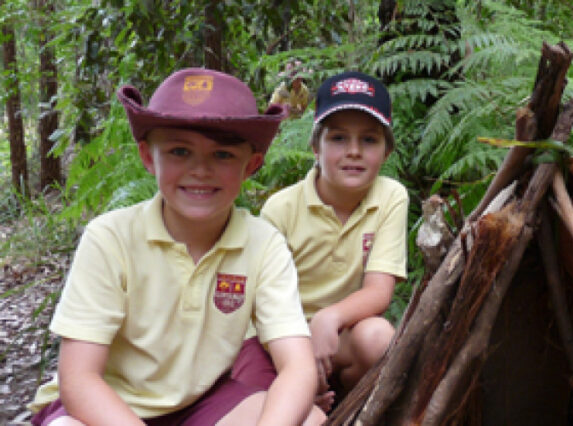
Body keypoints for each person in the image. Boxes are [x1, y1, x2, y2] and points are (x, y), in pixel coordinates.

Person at [27, 68, 324, 425]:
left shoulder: (263, 244)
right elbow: (79, 380)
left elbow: (297, 366)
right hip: (107, 407)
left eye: (223, 155)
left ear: (252, 165)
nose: (200, 169)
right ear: (149, 157)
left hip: (198, 403)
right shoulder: (110, 238)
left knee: (308, 419)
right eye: (180, 151)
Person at [261, 71, 408, 404]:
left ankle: (347, 401)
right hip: (286, 339)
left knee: (379, 338)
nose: (353, 151)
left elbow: (379, 291)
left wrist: (330, 317)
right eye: (338, 139)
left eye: (369, 140)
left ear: (386, 151)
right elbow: (265, 307)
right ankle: (306, 396)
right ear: (316, 146)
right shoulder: (281, 209)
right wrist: (300, 361)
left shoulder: (390, 197)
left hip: (344, 336)